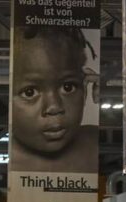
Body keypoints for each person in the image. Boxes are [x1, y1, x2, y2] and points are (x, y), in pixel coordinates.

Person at [10, 27, 99, 173]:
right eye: (29, 92)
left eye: (68, 87)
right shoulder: (11, 165)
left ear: (85, 88)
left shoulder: (94, 142)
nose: (54, 107)